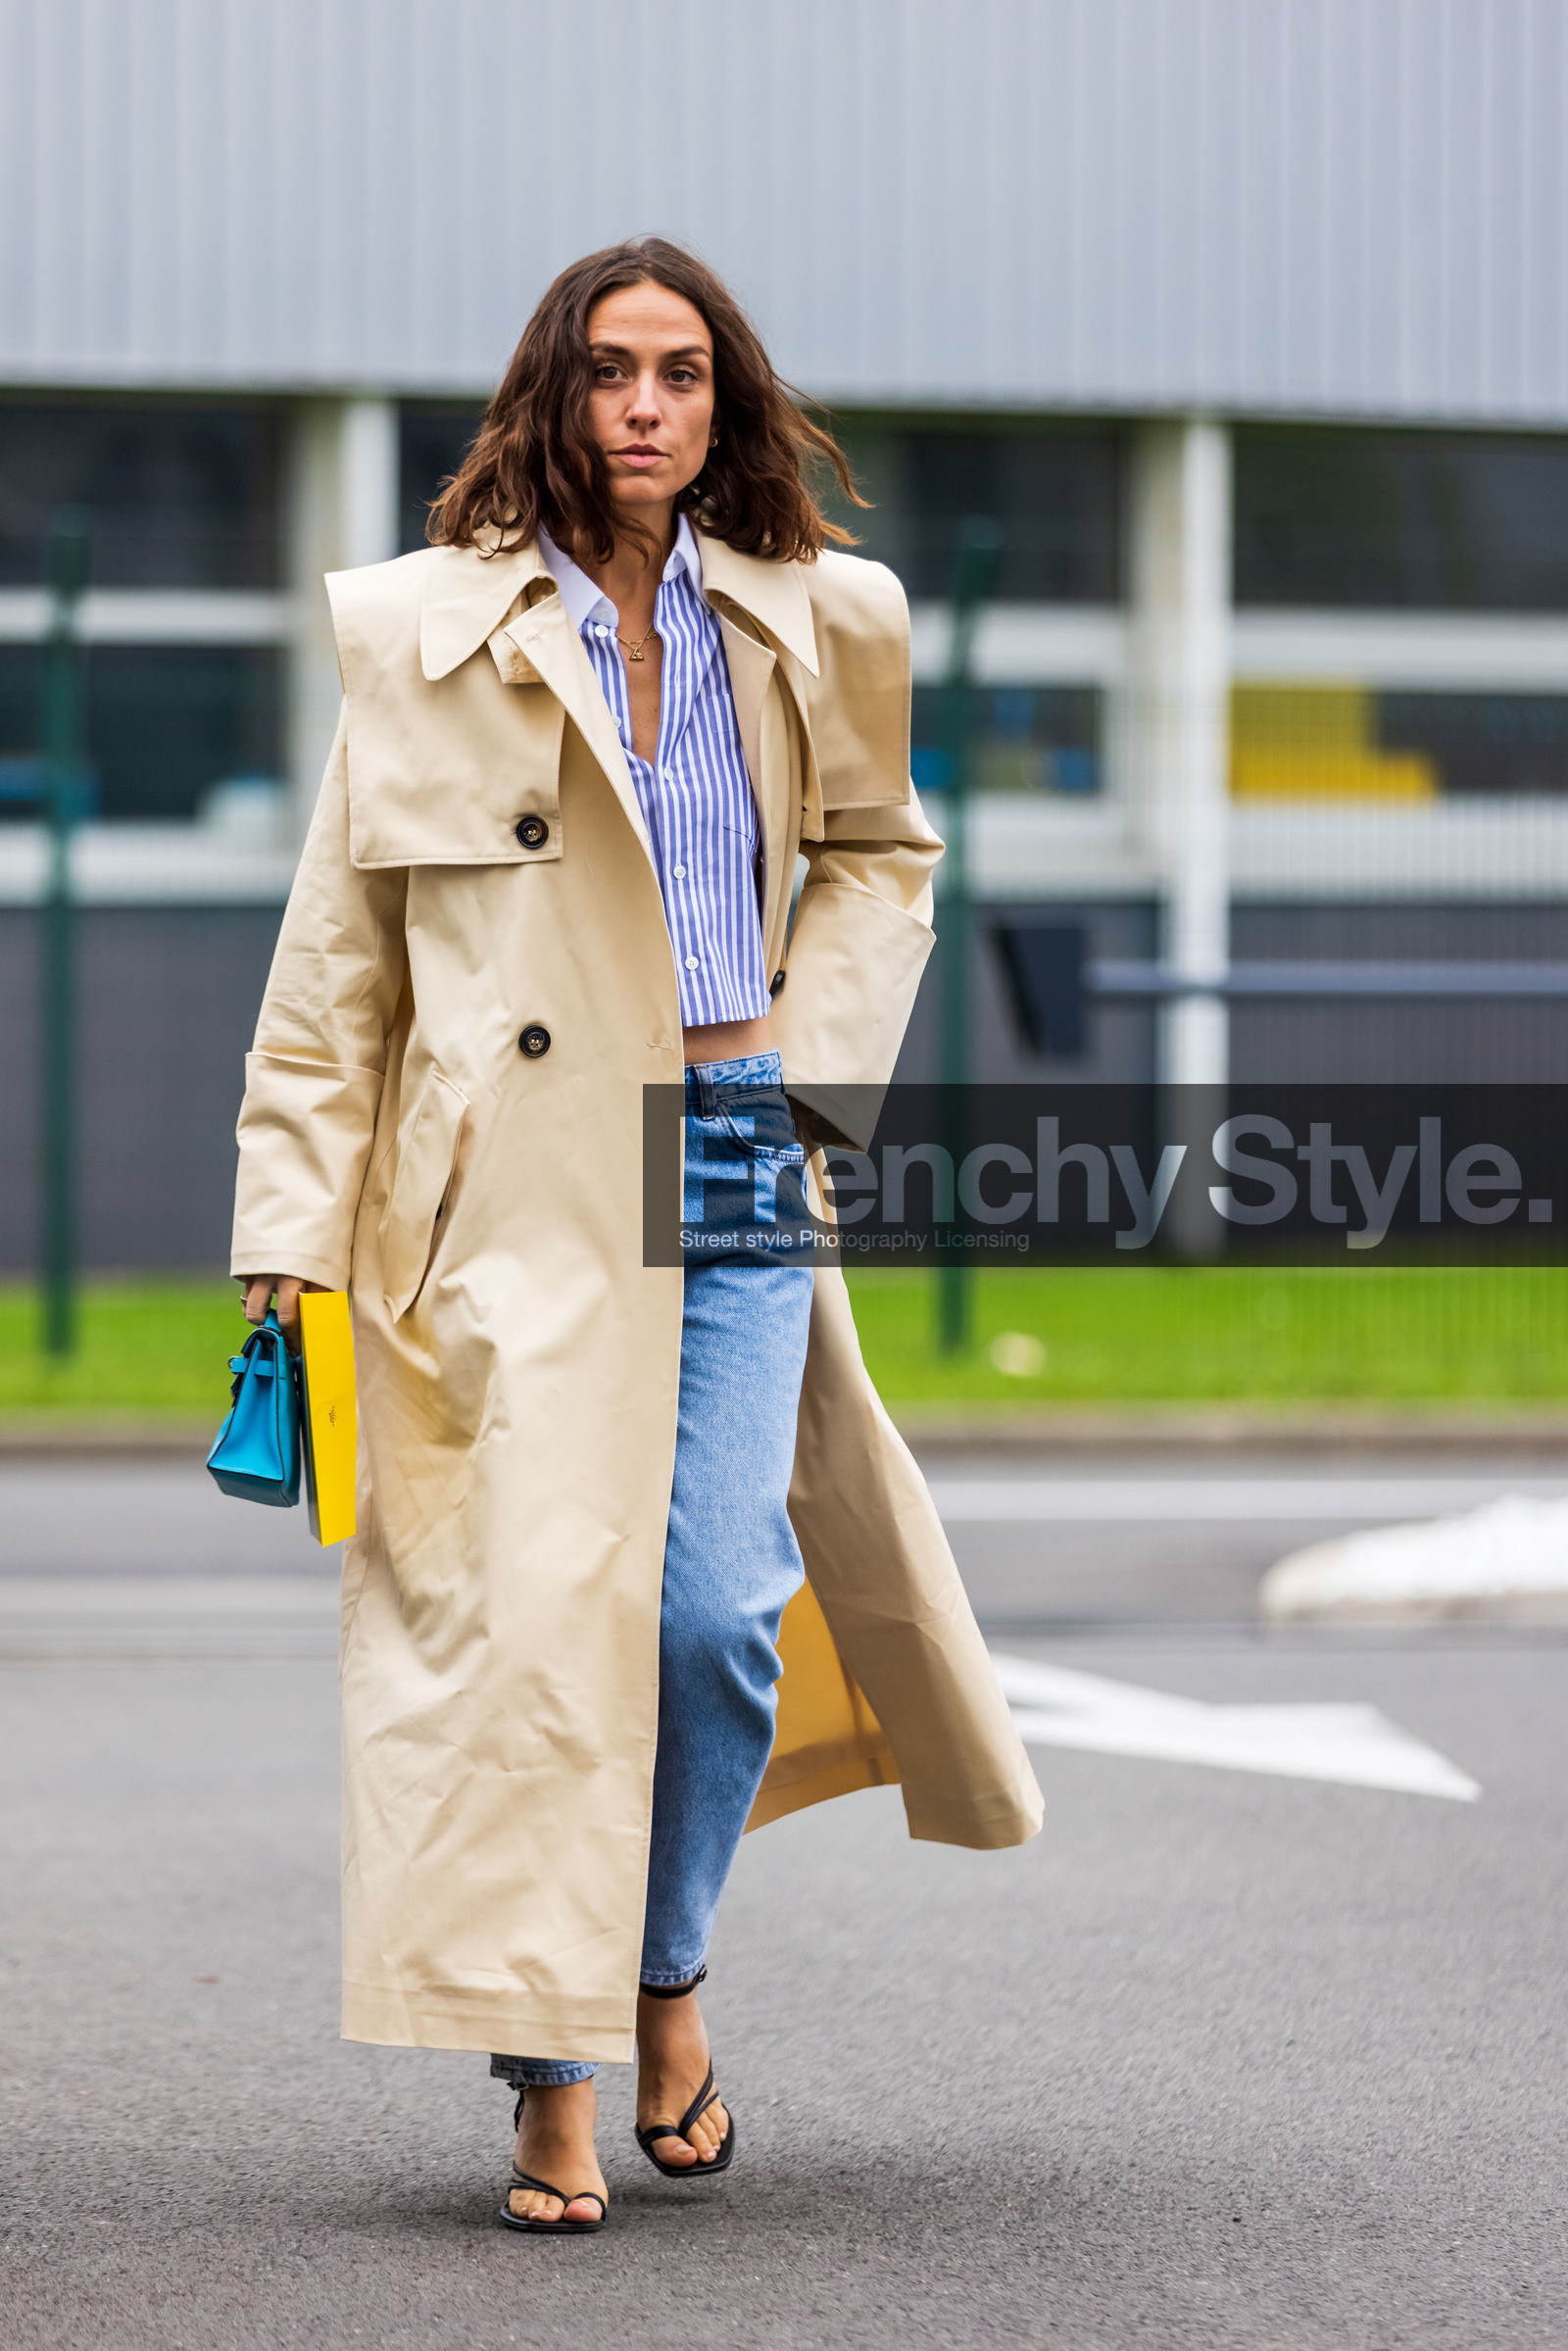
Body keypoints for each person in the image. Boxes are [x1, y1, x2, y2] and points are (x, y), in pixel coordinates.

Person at [231, 237, 1041, 2237]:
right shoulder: (429, 637)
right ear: (553, 397)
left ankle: (657, 1968)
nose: (648, 407)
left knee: (703, 1611)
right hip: (506, 1182)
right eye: (612, 373)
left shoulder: (817, 619)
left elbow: (876, 860)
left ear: (724, 399)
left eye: (682, 372)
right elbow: (336, 966)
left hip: (737, 1141)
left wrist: (811, 1066)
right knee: (538, 1639)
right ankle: (552, 2076)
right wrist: (288, 1228)